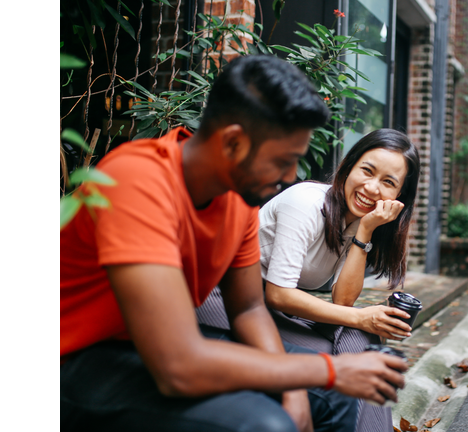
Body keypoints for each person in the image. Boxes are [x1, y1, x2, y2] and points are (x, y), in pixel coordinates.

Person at [60, 55, 408, 432]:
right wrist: (326, 369)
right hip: (75, 356)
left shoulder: (238, 200)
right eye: (283, 160)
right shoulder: (138, 182)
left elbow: (248, 309)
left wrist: (294, 386)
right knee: (264, 424)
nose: (291, 175)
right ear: (233, 142)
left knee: (333, 396)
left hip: (145, 346)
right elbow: (177, 367)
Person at [196, 128, 420, 432]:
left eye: (388, 182)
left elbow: (342, 301)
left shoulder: (360, 220)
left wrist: (365, 231)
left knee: (360, 341)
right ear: (349, 166)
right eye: (367, 170)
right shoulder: (305, 203)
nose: (372, 187)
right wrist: (362, 318)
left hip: (265, 310)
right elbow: (279, 294)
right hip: (226, 303)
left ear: (399, 197)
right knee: (352, 348)